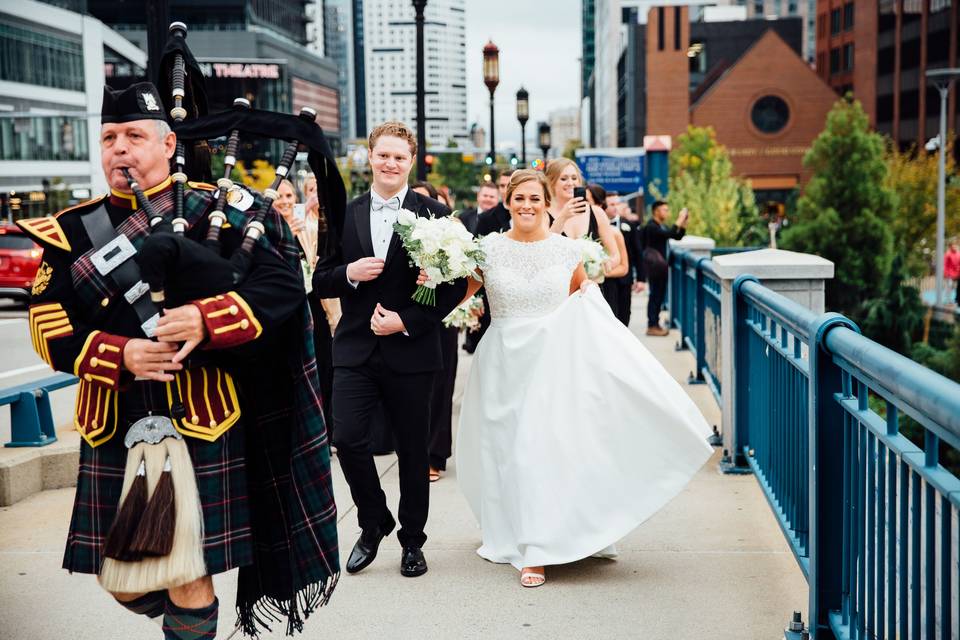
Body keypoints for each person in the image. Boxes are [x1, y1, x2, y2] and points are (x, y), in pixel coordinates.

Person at [17, 82, 338, 638]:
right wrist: (122, 353)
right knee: (119, 576)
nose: (121, 148)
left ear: (168, 143)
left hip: (203, 418)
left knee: (188, 572)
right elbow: (48, 325)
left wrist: (209, 319)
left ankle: (192, 624)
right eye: (110, 137)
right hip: (113, 422)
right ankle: (192, 625)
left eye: (135, 135)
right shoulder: (71, 231)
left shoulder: (223, 209)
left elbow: (285, 287)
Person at [453, 170, 712, 588]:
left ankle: (536, 550)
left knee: (537, 450)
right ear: (507, 200)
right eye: (519, 198)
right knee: (504, 452)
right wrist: (419, 305)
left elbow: (585, 300)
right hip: (502, 363)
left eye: (534, 199)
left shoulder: (565, 250)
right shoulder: (488, 250)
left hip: (552, 363)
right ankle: (516, 531)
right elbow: (460, 294)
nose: (527, 206)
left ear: (545, 201)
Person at [313, 121, 467, 578]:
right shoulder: (343, 213)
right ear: (371, 157)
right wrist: (348, 274)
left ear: (411, 161)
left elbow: (456, 286)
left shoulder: (436, 214)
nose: (391, 163)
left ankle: (412, 542)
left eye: (400, 157)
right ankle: (374, 519)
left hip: (412, 350)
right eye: (383, 155)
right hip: (356, 350)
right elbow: (320, 277)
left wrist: (407, 320)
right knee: (346, 439)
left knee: (413, 453)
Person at [412, 181, 459, 482]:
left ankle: (435, 455)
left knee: (441, 389)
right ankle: (414, 451)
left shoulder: (450, 233)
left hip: (441, 319)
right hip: (406, 319)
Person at [544, 159, 620, 270]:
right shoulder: (543, 214)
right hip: (559, 285)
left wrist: (600, 267)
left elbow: (615, 255)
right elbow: (543, 253)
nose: (570, 183)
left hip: (591, 284)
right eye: (564, 179)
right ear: (551, 182)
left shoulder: (597, 213)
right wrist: (563, 217)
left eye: (574, 178)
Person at [640, 200, 688, 336]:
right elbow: (669, 234)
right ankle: (652, 325)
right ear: (656, 211)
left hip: (662, 267)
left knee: (659, 295)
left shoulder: (662, 226)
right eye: (664, 210)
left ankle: (655, 323)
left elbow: (676, 236)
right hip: (654, 266)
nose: (667, 212)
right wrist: (679, 219)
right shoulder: (651, 227)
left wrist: (683, 223)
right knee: (655, 295)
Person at [585, 184, 632, 321]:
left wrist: (595, 273)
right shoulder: (575, 228)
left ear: (598, 205)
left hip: (610, 287)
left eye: (587, 201)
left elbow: (624, 267)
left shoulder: (614, 233)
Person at [945, 241, 959, 305]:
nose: (954, 247)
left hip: (957, 274)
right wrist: (945, 273)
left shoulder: (958, 253)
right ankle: (948, 301)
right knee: (949, 287)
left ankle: (957, 300)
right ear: (950, 246)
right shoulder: (948, 254)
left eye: (955, 245)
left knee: (957, 287)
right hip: (950, 274)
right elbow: (945, 264)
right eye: (953, 245)